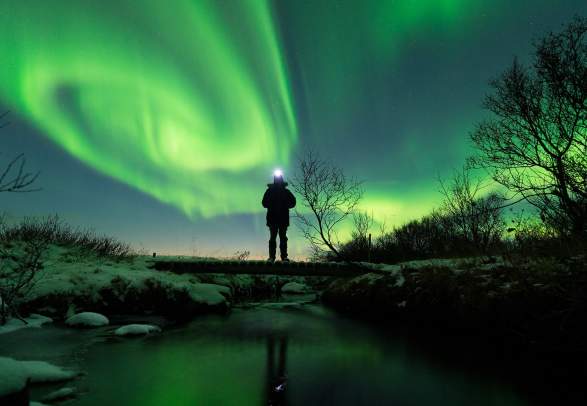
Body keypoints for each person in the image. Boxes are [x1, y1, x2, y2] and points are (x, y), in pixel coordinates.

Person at [262, 170, 296, 262]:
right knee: (273, 238)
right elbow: (264, 203)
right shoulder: (269, 191)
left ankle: (284, 257)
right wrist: (272, 204)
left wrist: (285, 205)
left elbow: (293, 202)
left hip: (282, 219)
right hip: (273, 219)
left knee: (282, 238)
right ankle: (272, 257)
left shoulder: (286, 192)